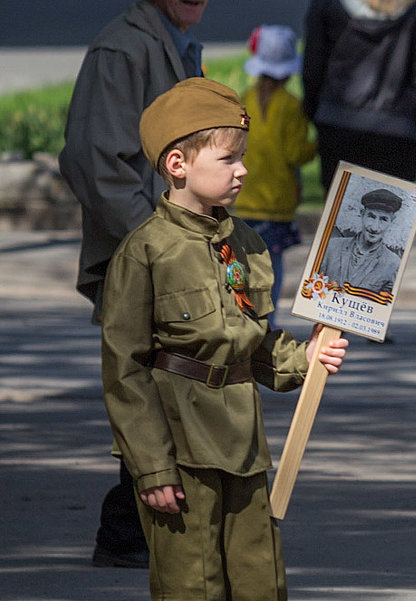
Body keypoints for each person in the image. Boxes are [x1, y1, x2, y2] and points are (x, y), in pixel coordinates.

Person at [100, 78, 349, 601]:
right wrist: (149, 468)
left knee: (260, 597)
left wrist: (307, 359)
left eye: (243, 156)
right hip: (177, 450)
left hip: (242, 445)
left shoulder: (241, 242)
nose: (243, 169)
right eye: (228, 157)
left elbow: (253, 344)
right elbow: (125, 369)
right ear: (177, 164)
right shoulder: (145, 250)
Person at [59, 0, 210, 569]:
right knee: (148, 383)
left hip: (171, 248)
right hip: (144, 254)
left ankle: (139, 525)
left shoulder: (169, 38)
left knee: (172, 384)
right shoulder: (124, 47)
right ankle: (129, 527)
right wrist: (159, 241)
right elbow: (93, 159)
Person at [302, 0, 416, 188]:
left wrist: (312, 112)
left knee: (339, 213)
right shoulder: (414, 10)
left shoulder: (327, 6)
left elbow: (313, 66)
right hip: (396, 130)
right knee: (391, 212)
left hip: (338, 124)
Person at [233, 24, 318, 329]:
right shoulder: (291, 106)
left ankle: (245, 313)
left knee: (245, 262)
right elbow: (296, 153)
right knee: (273, 264)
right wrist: (317, 145)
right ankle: (267, 319)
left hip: (244, 199)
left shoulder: (244, 100)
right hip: (278, 204)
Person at [320, 188, 403, 295]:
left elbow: (384, 305)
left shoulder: (393, 264)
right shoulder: (331, 247)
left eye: (383, 219)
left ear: (392, 220)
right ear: (362, 214)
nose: (375, 227)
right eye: (371, 216)